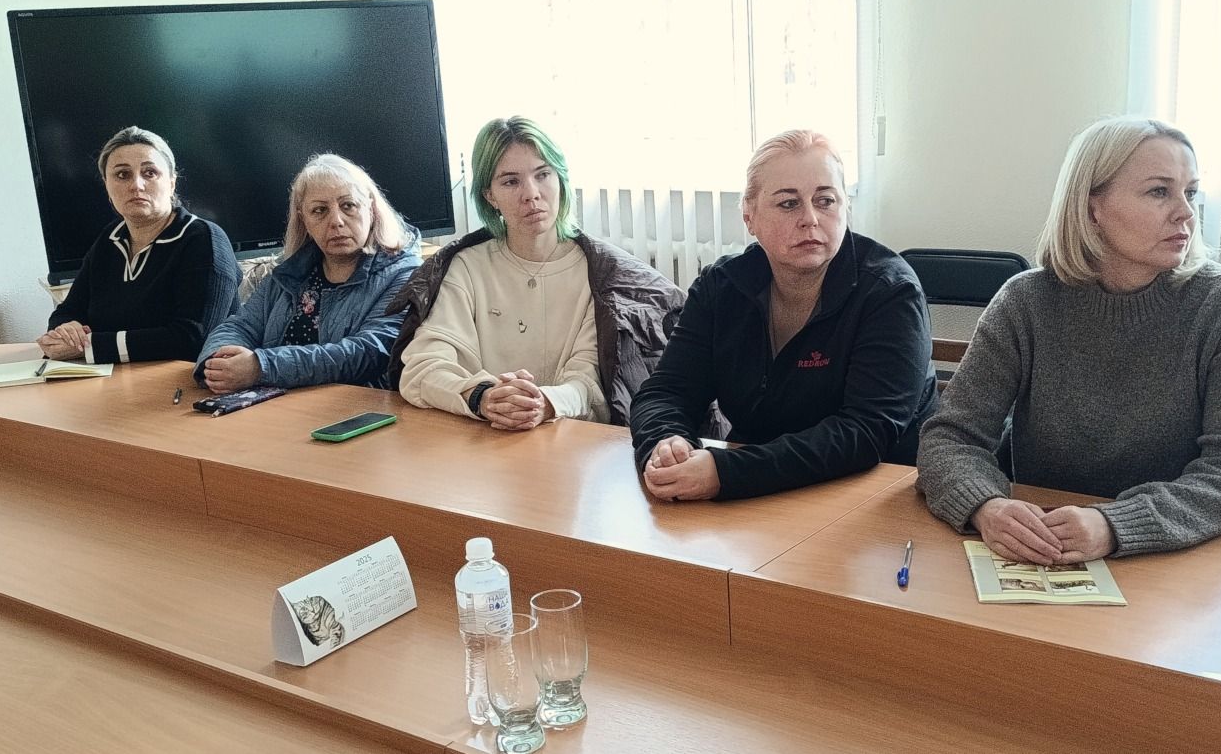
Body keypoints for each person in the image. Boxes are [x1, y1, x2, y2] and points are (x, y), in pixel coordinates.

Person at [918, 116, 1221, 563]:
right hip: (1052, 546)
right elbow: (950, 437)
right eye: (1159, 191)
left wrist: (1114, 525)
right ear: (1092, 209)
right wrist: (985, 506)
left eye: (1191, 192)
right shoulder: (1026, 301)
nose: (1186, 212)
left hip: (1192, 558)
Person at [628, 129, 938, 501]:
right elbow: (666, 392)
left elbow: (866, 431)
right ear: (749, 216)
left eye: (825, 200)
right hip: (761, 490)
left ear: (846, 208)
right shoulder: (721, 287)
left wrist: (727, 473)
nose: (810, 219)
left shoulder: (890, 291)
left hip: (879, 492)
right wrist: (666, 442)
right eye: (789, 204)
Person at [389, 116, 684, 429]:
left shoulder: (598, 274)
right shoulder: (466, 266)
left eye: (543, 174)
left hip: (569, 442)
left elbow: (590, 382)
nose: (531, 194)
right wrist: (483, 397)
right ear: (490, 195)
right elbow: (422, 368)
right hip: (481, 440)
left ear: (560, 179)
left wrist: (544, 403)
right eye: (510, 182)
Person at [195, 154, 419, 391]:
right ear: (304, 220)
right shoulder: (289, 272)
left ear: (371, 209)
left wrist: (261, 368)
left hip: (356, 406)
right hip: (275, 403)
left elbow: (370, 352)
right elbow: (238, 326)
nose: (336, 221)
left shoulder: (405, 273)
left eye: (348, 205)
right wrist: (219, 364)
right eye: (320, 210)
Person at [39, 126, 240, 363]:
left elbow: (192, 339)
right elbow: (67, 311)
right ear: (106, 185)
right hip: (116, 377)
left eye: (150, 173)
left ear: (172, 183)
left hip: (188, 379)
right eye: (122, 175)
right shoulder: (110, 239)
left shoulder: (204, 239)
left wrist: (90, 346)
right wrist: (66, 329)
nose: (136, 185)